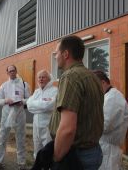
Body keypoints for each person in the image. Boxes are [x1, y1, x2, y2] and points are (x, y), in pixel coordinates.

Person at [48, 36, 104, 170]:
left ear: (66, 54)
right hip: (92, 151)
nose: (55, 57)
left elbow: (67, 129)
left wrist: (56, 158)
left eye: (57, 53)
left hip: (75, 156)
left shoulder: (70, 76)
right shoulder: (93, 76)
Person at [0, 65, 30, 170]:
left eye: (13, 70)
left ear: (16, 71)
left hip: (19, 115)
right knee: (2, 138)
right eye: (10, 71)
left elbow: (29, 98)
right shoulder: (4, 86)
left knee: (20, 139)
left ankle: (21, 163)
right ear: (7, 73)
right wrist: (6, 100)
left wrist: (22, 101)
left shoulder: (24, 84)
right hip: (6, 115)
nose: (12, 72)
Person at [93, 70, 128, 170]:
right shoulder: (108, 96)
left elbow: (104, 125)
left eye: (94, 86)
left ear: (103, 82)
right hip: (104, 147)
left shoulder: (113, 97)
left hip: (108, 151)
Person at [27, 70, 57, 159]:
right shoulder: (37, 92)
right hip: (36, 125)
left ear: (49, 79)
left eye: (43, 77)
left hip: (48, 126)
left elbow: (49, 105)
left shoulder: (54, 91)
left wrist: (36, 105)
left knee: (48, 150)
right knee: (37, 149)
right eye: (39, 77)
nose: (41, 79)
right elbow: (29, 105)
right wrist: (42, 105)